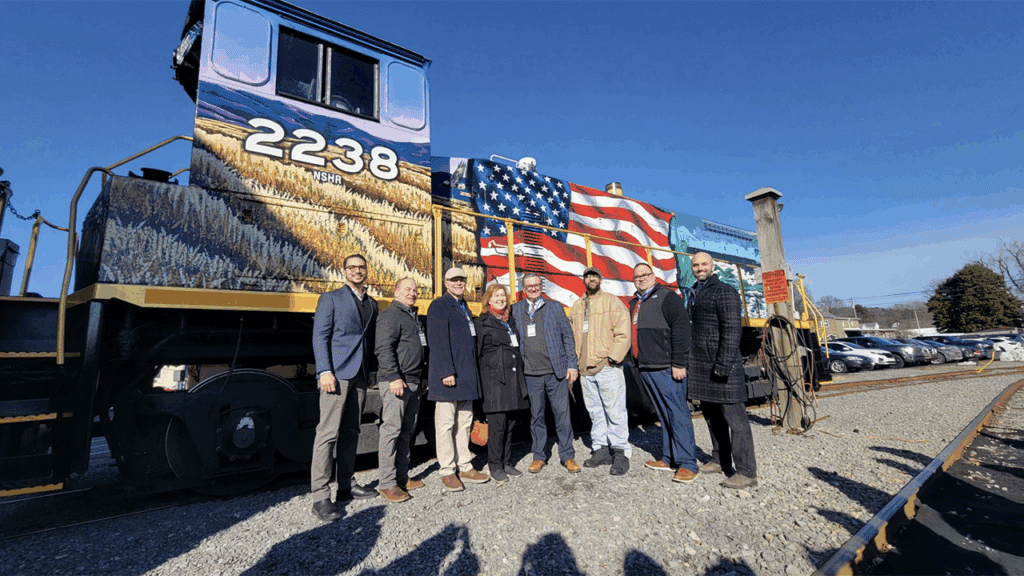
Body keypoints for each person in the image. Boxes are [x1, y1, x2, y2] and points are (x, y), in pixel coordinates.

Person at [310, 254, 378, 522]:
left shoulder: (371, 304)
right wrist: (325, 370)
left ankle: (346, 486)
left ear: (366, 271)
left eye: (361, 267)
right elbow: (320, 336)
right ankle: (320, 496)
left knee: (352, 431)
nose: (357, 271)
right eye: (352, 267)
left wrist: (371, 370)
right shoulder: (331, 298)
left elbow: (369, 340)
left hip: (360, 376)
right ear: (344, 271)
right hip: (336, 375)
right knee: (327, 434)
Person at [687, 252, 758, 489]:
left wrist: (723, 365)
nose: (699, 268)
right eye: (696, 265)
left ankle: (747, 471)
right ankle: (719, 459)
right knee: (712, 417)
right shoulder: (695, 292)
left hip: (721, 368)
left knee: (735, 420)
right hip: (703, 367)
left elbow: (731, 330)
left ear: (712, 266)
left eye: (704, 264)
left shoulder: (725, 291)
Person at [628, 262, 698, 484]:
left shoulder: (667, 297)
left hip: (667, 367)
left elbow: (682, 329)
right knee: (663, 414)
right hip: (647, 367)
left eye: (645, 275)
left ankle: (688, 463)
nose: (641, 279)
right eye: (637, 276)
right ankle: (669, 458)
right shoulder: (635, 303)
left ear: (653, 275)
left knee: (677, 413)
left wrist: (679, 362)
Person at [427, 267, 490, 491]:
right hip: (449, 375)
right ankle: (447, 469)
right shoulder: (439, 306)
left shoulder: (464, 307)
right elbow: (437, 340)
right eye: (453, 280)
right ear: (445, 283)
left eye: (461, 280)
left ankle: (465, 464)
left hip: (466, 375)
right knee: (445, 423)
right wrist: (446, 371)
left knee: (464, 422)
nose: (458, 283)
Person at [511, 273, 580, 474]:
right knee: (536, 416)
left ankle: (567, 456)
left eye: (536, 285)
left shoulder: (555, 308)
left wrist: (572, 365)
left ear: (541, 287)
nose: (533, 288)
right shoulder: (516, 310)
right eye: (529, 286)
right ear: (524, 289)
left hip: (555, 372)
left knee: (562, 415)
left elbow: (567, 337)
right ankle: (539, 456)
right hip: (531, 374)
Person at [569, 267, 633, 475]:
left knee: (615, 411)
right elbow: (572, 336)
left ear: (601, 279)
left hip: (606, 367)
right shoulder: (577, 306)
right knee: (595, 412)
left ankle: (621, 452)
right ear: (584, 281)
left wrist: (612, 358)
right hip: (586, 370)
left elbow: (623, 332)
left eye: (595, 276)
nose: (592, 279)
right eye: (588, 276)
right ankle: (601, 449)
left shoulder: (612, 302)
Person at [374, 278, 428, 503]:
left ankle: (401, 476)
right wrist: (394, 376)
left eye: (415, 290)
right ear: (396, 292)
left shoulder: (411, 316)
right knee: (392, 430)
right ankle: (386, 483)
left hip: (413, 381)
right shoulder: (390, 315)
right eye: (407, 289)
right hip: (398, 381)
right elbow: (383, 348)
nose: (412, 293)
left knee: (407, 430)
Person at [474, 283, 530, 484]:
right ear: (488, 300)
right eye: (496, 296)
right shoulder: (482, 322)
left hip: (513, 380)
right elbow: (478, 353)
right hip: (494, 382)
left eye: (503, 296)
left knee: (510, 423)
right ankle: (495, 465)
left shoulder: (510, 321)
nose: (500, 299)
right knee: (497, 426)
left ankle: (506, 462)